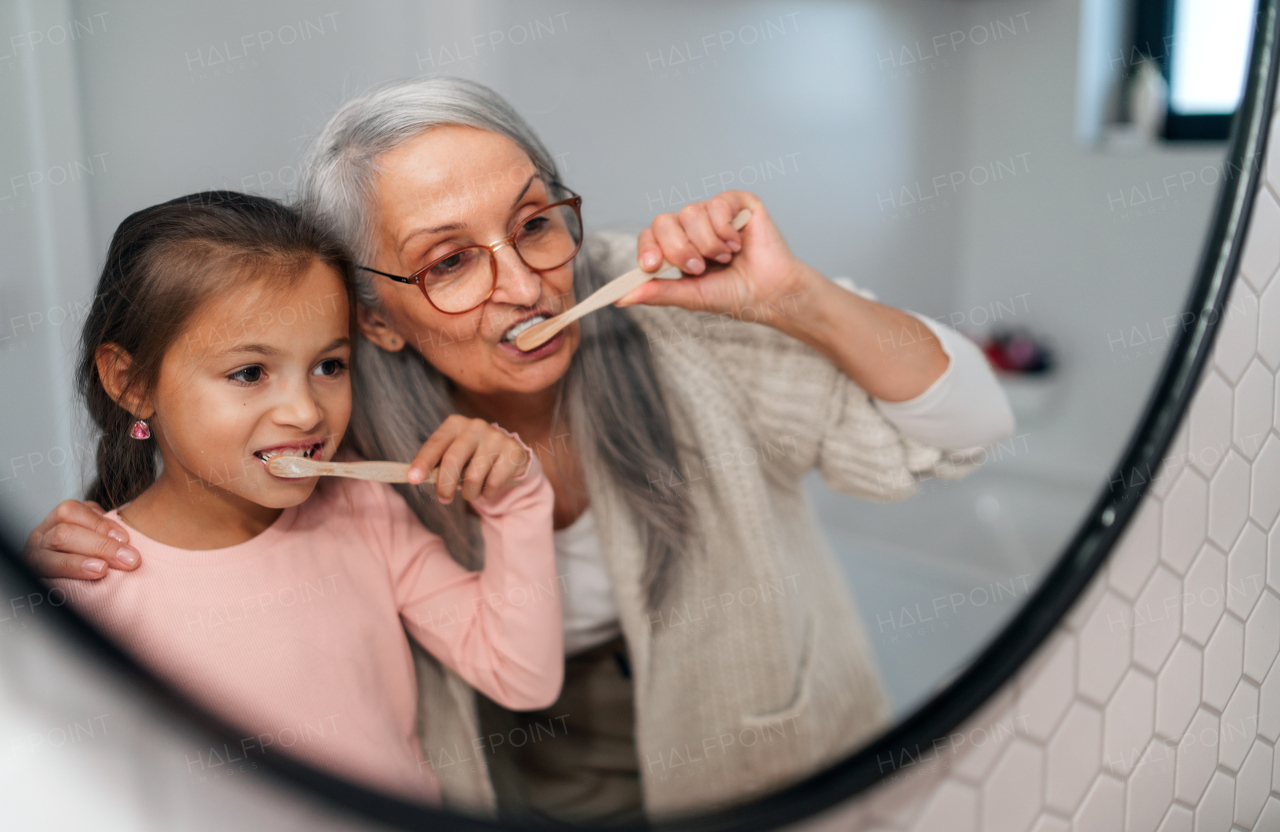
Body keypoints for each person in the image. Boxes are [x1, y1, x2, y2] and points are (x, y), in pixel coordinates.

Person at [26, 79, 1014, 821]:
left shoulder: (666, 301)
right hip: (539, 787)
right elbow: (195, 459)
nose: (528, 284)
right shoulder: (331, 427)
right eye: (449, 261)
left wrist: (792, 300)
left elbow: (976, 430)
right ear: (371, 320)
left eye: (534, 223)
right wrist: (79, 551)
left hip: (789, 769)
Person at [43, 190, 563, 803]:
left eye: (329, 366)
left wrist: (518, 501)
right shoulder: (93, 583)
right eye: (249, 373)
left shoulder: (365, 513)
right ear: (131, 384)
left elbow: (521, 677)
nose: (305, 411)